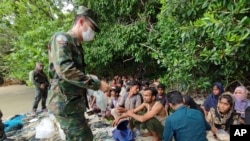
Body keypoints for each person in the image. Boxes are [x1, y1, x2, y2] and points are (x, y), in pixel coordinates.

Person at [47, 6, 110, 140]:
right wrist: (97, 84)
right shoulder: (62, 38)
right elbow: (66, 71)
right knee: (83, 137)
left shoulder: (76, 45)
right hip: (64, 104)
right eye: (92, 27)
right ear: (81, 21)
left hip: (73, 104)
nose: (93, 32)